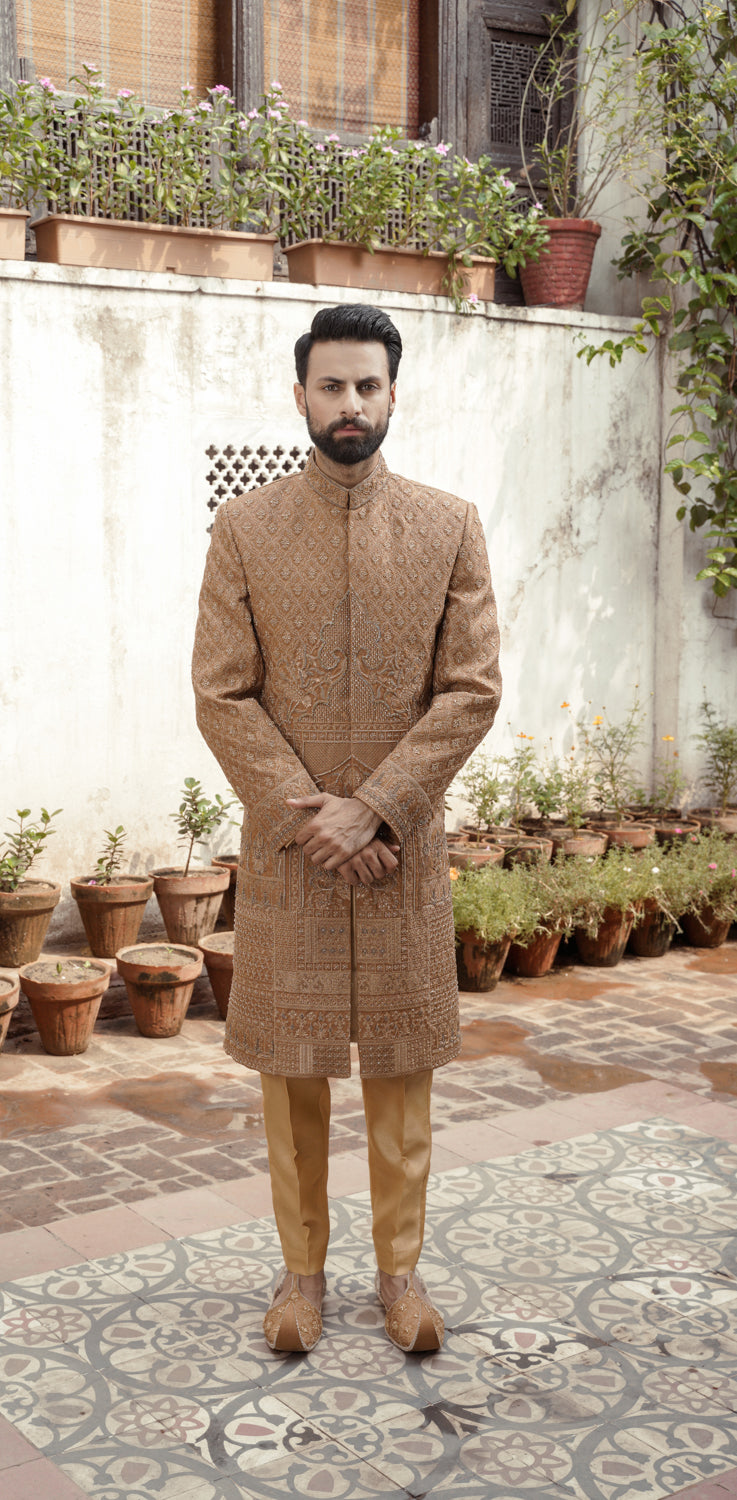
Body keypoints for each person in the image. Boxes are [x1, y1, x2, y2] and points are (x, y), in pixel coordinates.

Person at [191, 302, 501, 1354]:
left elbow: (470, 688)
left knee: (400, 1077)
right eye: (331, 385)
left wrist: (375, 807)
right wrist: (314, 817)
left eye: (367, 385)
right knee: (291, 1078)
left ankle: (400, 1275)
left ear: (392, 393)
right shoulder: (244, 529)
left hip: (397, 852)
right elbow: (221, 696)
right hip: (293, 857)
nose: (349, 404)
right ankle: (299, 1278)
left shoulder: (447, 524)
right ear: (299, 397)